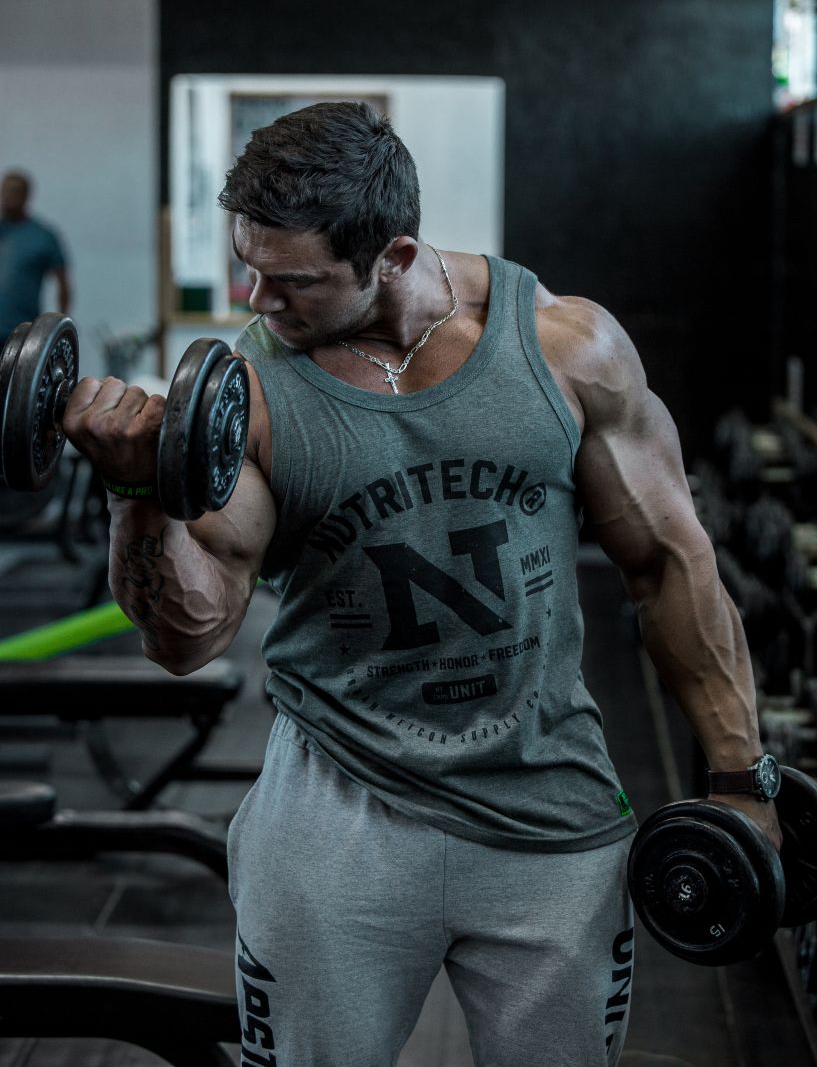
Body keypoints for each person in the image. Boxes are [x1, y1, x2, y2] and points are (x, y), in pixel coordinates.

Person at [62, 102, 781, 1067]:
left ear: (393, 255)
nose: (257, 302)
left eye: (293, 283)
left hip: (549, 810)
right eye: (251, 269)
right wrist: (134, 488)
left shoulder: (566, 347)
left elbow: (671, 564)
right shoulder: (254, 390)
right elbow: (189, 636)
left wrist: (742, 777)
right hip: (335, 818)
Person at [0, 170, 71, 339]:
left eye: (15, 191)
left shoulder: (43, 236)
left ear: (26, 195)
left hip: (22, 333)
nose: (9, 196)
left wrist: (57, 328)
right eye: (5, 190)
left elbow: (63, 284)